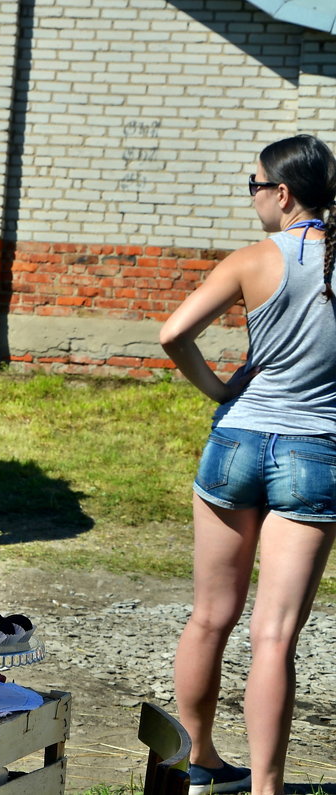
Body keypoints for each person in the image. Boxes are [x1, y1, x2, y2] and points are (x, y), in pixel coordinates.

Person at [160, 134, 336, 795]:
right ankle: (266, 789)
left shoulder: (251, 261)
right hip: (316, 451)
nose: (253, 195)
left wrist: (217, 389)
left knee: (210, 615)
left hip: (235, 443)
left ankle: (198, 761)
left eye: (255, 184)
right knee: (275, 634)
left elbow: (172, 333)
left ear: (283, 194)